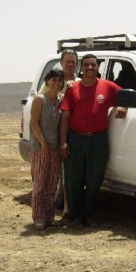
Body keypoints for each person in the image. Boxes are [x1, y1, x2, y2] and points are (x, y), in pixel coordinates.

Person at [59, 54, 127, 228]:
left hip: (98, 140)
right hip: (76, 139)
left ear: (98, 67)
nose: (90, 68)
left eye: (93, 65)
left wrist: (122, 106)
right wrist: (63, 142)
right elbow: (65, 117)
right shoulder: (73, 89)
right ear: (81, 68)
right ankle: (75, 217)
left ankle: (88, 216)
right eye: (87, 65)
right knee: (74, 180)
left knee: (94, 179)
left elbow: (125, 97)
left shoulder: (107, 86)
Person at [29, 69, 65, 230]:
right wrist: (42, 143)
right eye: (54, 80)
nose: (56, 83)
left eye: (59, 80)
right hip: (40, 147)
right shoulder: (40, 99)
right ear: (47, 81)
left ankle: (49, 216)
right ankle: (38, 217)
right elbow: (34, 123)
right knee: (40, 184)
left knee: (52, 184)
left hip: (55, 147)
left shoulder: (61, 100)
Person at [58, 49, 78, 219]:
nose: (70, 64)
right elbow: (45, 99)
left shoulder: (81, 81)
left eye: (73, 61)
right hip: (54, 130)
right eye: (67, 61)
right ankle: (64, 205)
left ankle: (70, 204)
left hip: (74, 131)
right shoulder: (55, 80)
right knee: (58, 170)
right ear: (61, 62)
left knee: (70, 170)